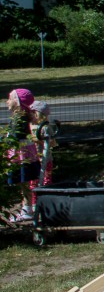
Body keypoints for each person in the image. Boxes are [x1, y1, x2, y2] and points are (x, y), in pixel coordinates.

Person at [5, 88, 39, 221]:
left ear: (18, 102)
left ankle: (27, 208)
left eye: (10, 98)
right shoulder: (20, 117)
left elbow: (15, 136)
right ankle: (27, 206)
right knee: (23, 182)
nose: (7, 101)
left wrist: (6, 141)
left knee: (23, 181)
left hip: (21, 154)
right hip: (24, 152)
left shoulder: (19, 118)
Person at [30, 100, 56, 187]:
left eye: (31, 113)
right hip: (35, 159)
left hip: (43, 158)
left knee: (44, 180)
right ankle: (36, 199)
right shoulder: (31, 126)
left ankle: (41, 198)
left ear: (36, 114)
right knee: (35, 181)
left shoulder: (44, 128)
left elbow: (52, 143)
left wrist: (40, 140)